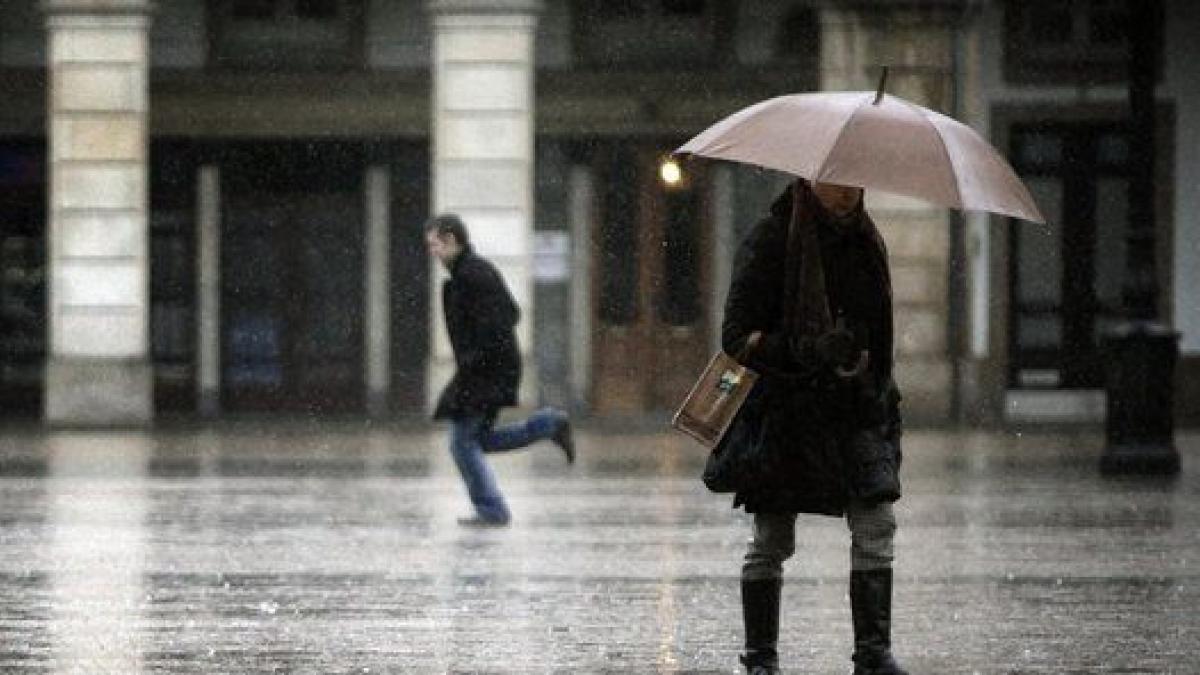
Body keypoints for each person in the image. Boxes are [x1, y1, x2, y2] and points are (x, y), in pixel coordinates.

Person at [721, 179, 906, 674]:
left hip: (856, 409)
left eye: (855, 182)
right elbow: (736, 338)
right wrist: (808, 350)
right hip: (787, 412)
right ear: (808, 179)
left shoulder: (868, 242)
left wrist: (862, 362)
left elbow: (880, 331)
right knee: (772, 540)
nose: (846, 192)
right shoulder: (772, 239)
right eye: (834, 181)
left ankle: (873, 655)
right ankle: (760, 656)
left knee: (876, 525)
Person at [425, 213, 575, 527]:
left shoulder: (474, 274)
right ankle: (548, 425)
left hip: (487, 371)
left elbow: (506, 315)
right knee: (476, 440)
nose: (433, 252)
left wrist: (477, 356)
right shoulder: (466, 273)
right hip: (486, 368)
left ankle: (492, 510)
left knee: (462, 442)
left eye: (435, 244)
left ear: (452, 240)